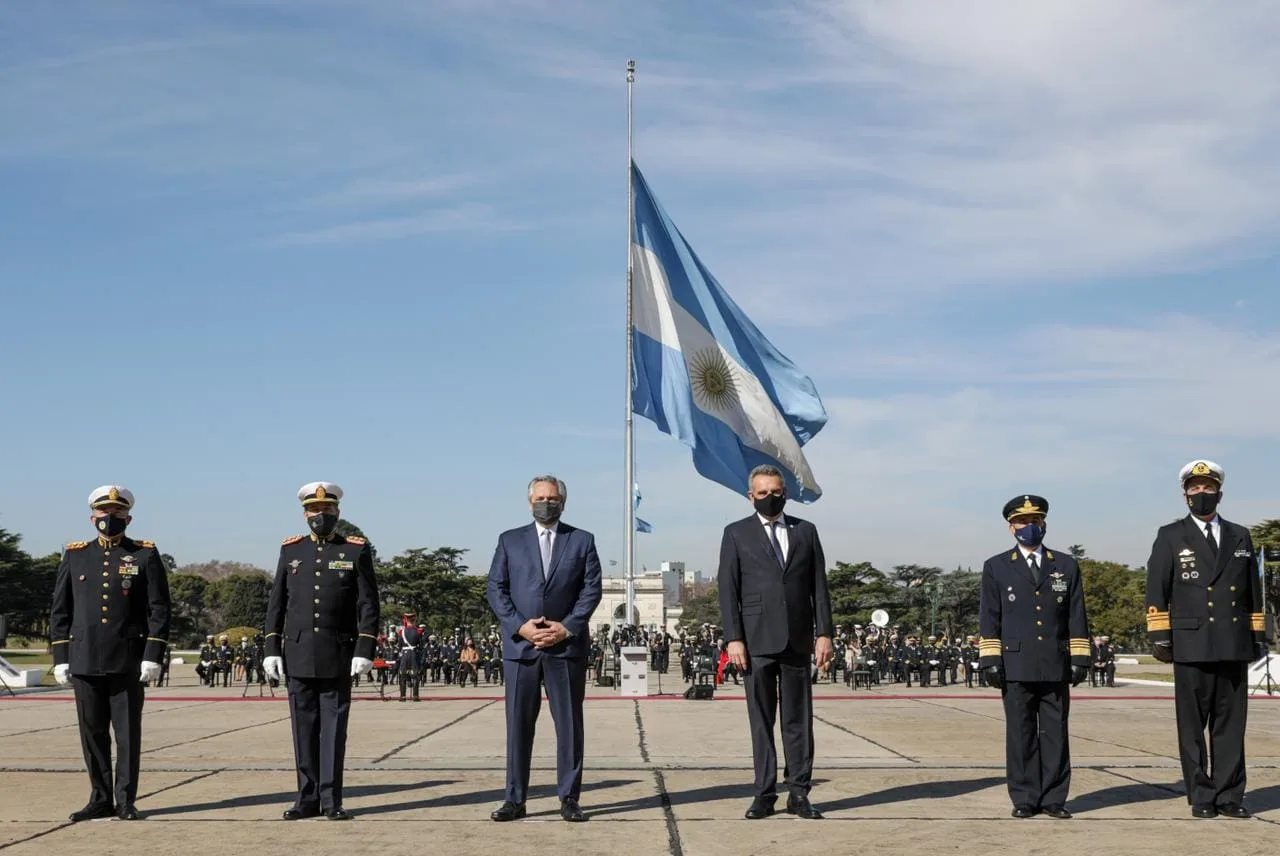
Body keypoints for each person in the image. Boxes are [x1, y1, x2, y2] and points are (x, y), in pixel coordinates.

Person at [1145, 460, 1264, 819]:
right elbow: (1157, 587)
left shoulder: (1239, 535)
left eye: (1208, 488)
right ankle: (1201, 795)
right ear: (1185, 495)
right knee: (1192, 727)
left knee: (1230, 726)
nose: (1201, 493)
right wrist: (1160, 636)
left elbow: (1253, 591)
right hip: (1191, 643)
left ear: (1219, 494)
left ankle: (1230, 795)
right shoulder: (1171, 534)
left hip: (1232, 642)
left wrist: (1257, 636)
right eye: (1195, 488)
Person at [49, 485, 171, 822]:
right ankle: (100, 798)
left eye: (118, 512)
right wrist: (60, 658)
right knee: (93, 734)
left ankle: (125, 800)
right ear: (93, 517)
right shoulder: (75, 555)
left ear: (128, 518)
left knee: (127, 734)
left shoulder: (144, 555)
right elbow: (60, 611)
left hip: (127, 660)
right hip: (85, 659)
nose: (110, 517)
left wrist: (152, 654)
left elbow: (159, 609)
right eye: (104, 511)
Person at [718, 464, 833, 821]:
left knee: (798, 720)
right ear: (750, 496)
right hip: (755, 642)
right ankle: (764, 793)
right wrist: (733, 638)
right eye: (763, 492)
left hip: (797, 640)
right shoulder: (736, 533)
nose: (770, 497)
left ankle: (799, 792)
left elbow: (819, 586)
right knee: (762, 720)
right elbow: (728, 590)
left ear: (786, 492)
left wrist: (824, 633)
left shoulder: (805, 531)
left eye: (776, 491)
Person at [486, 474, 603, 823]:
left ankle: (569, 798)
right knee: (518, 726)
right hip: (521, 648)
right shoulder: (509, 540)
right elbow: (496, 588)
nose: (545, 503)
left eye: (552, 498)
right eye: (539, 498)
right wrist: (520, 626)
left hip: (564, 648)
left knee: (569, 726)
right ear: (529, 502)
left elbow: (591, 590)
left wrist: (566, 627)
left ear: (562, 503)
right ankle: (514, 799)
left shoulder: (581, 540)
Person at [263, 482, 379, 821]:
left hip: (337, 652)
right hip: (297, 652)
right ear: (305, 514)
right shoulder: (291, 550)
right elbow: (277, 604)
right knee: (303, 729)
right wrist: (271, 648)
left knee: (333, 730)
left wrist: (364, 647)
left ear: (337, 512)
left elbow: (368, 603)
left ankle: (331, 800)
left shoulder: (354, 550)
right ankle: (306, 798)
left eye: (327, 509)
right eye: (314, 510)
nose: (320, 514)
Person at [979, 495, 1090, 820]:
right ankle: (1025, 797)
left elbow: (1076, 613)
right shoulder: (997, 566)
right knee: (1021, 733)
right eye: (1023, 521)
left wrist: (1080, 656)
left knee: (1055, 732)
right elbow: (990, 616)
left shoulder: (1065, 565)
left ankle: (1054, 798)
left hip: (1055, 661)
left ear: (1044, 523)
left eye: (1035, 521)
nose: (1030, 526)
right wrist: (991, 659)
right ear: (1010, 527)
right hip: (1015, 663)